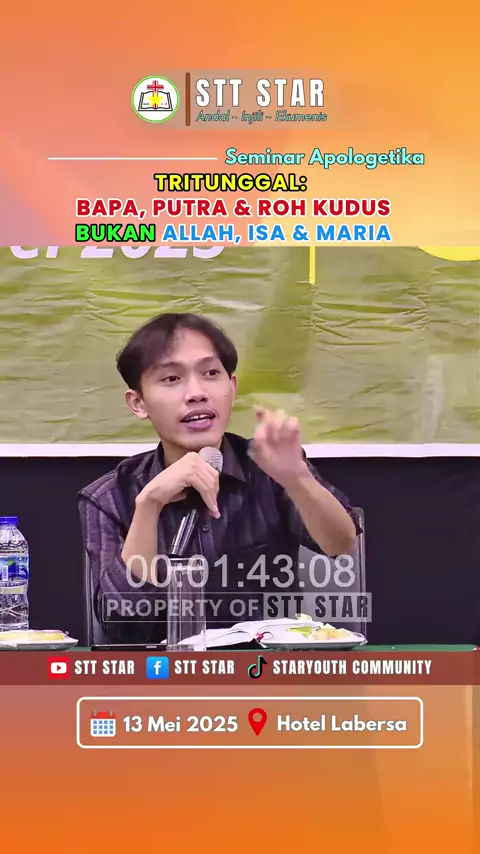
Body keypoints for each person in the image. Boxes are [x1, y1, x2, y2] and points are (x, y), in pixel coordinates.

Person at [78, 313, 361, 643]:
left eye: (211, 373)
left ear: (232, 387)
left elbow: (341, 544)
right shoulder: (109, 496)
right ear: (138, 403)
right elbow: (121, 621)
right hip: (160, 671)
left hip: (262, 668)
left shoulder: (269, 467)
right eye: (171, 378)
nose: (196, 393)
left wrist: (297, 478)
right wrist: (150, 505)